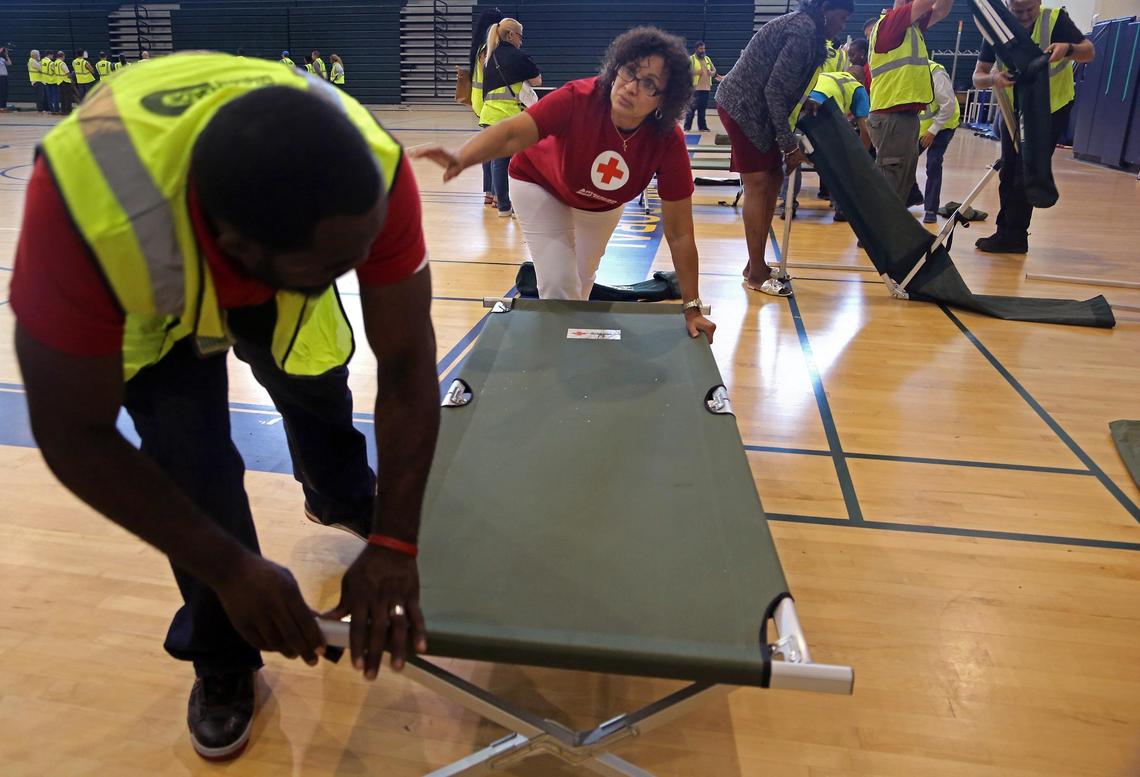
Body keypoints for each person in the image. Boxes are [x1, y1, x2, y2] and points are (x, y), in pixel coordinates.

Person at [11, 52, 437, 762]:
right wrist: (233, 567)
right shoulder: (87, 210)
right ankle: (223, 657)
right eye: (338, 263)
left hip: (269, 243)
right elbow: (71, 432)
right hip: (153, 296)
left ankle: (338, 496)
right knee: (192, 471)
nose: (362, 265)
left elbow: (403, 365)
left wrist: (396, 540)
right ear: (237, 253)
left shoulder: (370, 170)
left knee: (318, 384)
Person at [414, 27, 716, 345]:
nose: (631, 88)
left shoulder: (668, 142)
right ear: (616, 67)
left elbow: (681, 233)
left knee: (582, 281)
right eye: (629, 72)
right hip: (538, 184)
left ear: (664, 102)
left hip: (601, 206)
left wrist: (692, 308)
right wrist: (462, 156)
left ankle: (568, 347)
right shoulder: (579, 98)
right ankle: (557, 356)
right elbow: (512, 133)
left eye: (649, 84)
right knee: (559, 282)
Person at [715, 0, 853, 291]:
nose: (843, 26)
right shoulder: (802, 30)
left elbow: (786, 86)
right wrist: (790, 147)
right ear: (826, 11)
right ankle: (755, 274)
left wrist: (805, 104)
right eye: (841, 18)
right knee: (758, 183)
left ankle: (755, 263)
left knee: (774, 178)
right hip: (744, 108)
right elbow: (774, 91)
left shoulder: (811, 32)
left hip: (758, 108)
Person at [972, 0, 1094, 253]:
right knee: (1009, 170)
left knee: (1025, 172)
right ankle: (1006, 231)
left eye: (1030, 9)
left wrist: (1068, 49)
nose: (1025, 16)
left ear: (1039, 2)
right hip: (1014, 112)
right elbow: (978, 77)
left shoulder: (1055, 20)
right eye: (1018, 11)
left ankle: (1014, 236)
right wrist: (994, 78)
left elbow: (1088, 52)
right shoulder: (996, 28)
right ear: (1007, 5)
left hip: (1050, 108)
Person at [867, 0, 954, 208]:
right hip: (891, 116)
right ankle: (877, 237)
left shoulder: (910, 28)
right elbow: (928, 4)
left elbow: (941, 10)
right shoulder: (893, 21)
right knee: (891, 182)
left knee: (900, 184)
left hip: (903, 116)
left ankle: (888, 236)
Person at [778, 68, 871, 220]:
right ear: (861, 80)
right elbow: (865, 130)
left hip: (799, 108)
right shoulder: (857, 87)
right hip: (823, 113)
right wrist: (861, 158)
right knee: (838, 163)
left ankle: (788, 204)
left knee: (793, 157)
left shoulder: (828, 76)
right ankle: (841, 208)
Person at [476, 17, 541, 217]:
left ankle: (503, 206)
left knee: (498, 162)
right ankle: (518, 204)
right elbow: (537, 80)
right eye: (520, 37)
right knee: (518, 162)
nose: (521, 41)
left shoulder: (489, 57)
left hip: (488, 115)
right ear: (512, 35)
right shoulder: (517, 56)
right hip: (508, 117)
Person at [913, 59, 959, 223]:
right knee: (906, 160)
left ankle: (931, 209)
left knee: (933, 162)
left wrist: (933, 131)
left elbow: (948, 105)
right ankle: (913, 196)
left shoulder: (936, 73)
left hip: (945, 124)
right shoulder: (907, 73)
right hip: (923, 126)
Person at [683, 41, 718, 132]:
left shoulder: (707, 59)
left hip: (706, 88)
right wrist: (696, 72)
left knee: (702, 109)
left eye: (704, 48)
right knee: (691, 108)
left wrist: (712, 73)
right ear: (696, 49)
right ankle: (687, 127)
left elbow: (714, 70)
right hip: (695, 88)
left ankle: (702, 127)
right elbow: (686, 72)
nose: (703, 50)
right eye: (701, 49)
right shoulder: (691, 59)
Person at [28, 49, 45, 114]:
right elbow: (41, 69)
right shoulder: (33, 61)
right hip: (37, 81)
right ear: (35, 55)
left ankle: (40, 109)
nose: (39, 55)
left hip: (37, 81)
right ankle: (40, 110)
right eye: (38, 54)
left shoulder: (32, 61)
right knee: (40, 96)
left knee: (40, 96)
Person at [0, 46, 11, 111]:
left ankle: (4, 106)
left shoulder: (2, 59)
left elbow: (9, 63)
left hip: (5, 77)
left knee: (5, 92)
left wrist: (6, 55)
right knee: (1, 92)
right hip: (0, 77)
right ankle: (1, 107)